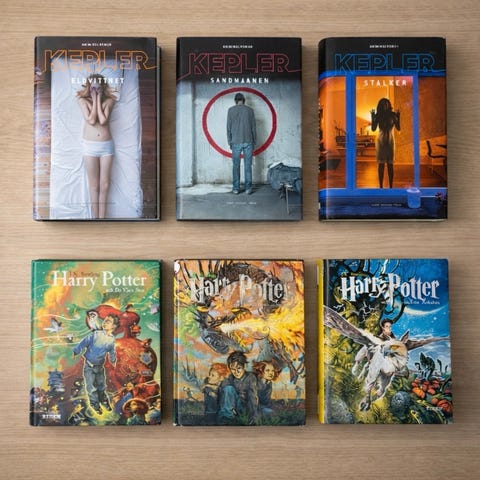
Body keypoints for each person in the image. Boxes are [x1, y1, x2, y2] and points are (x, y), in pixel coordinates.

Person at [77, 74, 117, 218]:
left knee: (104, 185)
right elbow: (92, 120)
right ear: (88, 87)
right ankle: (95, 219)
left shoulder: (110, 100)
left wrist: (98, 100)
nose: (95, 90)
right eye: (92, 87)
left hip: (106, 147)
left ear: (102, 87)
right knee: (94, 185)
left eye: (98, 87)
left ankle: (102, 218)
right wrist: (94, 100)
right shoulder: (82, 100)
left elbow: (103, 120)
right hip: (89, 147)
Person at [73, 313, 119, 415]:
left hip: (100, 367)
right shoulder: (96, 334)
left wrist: (113, 361)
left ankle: (104, 401)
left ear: (114, 326)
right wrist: (76, 350)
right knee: (91, 388)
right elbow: (84, 342)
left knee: (101, 386)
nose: (104, 322)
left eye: (108, 322)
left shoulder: (111, 339)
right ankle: (95, 404)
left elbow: (112, 351)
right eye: (105, 320)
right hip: (89, 366)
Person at [226, 92, 257, 194]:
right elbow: (253, 127)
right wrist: (254, 141)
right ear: (244, 100)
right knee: (248, 166)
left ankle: (236, 188)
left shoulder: (230, 110)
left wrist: (229, 141)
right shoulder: (250, 110)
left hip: (235, 141)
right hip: (248, 141)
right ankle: (248, 189)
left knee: (236, 166)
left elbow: (228, 127)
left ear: (235, 101)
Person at [218, 351, 258, 425]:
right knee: (228, 389)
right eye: (233, 369)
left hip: (246, 407)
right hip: (234, 408)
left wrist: (253, 417)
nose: (236, 372)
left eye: (239, 368)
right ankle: (226, 417)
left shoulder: (250, 377)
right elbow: (222, 391)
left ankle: (233, 417)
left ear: (244, 366)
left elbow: (252, 397)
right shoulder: (230, 378)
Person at [370, 98, 400, 188]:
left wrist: (399, 116)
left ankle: (391, 186)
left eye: (386, 103)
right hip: (381, 141)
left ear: (389, 104)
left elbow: (398, 128)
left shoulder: (393, 115)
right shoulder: (378, 115)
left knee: (390, 164)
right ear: (380, 106)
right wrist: (372, 117)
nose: (385, 105)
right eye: (383, 104)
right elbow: (373, 129)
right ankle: (381, 187)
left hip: (390, 141)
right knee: (381, 164)